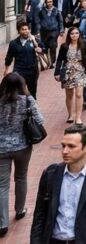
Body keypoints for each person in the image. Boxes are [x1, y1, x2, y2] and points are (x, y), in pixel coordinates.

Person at [30, 124, 86, 242]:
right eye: (63, 146)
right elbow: (39, 216)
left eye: (71, 146)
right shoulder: (51, 173)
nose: (65, 151)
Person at [0, 73, 44, 237]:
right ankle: (20, 209)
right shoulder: (27, 100)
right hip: (22, 146)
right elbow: (40, 120)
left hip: (1, 148)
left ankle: (2, 223)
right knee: (21, 177)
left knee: (2, 185)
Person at [54, 27, 86, 125]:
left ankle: (78, 117)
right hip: (68, 71)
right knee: (69, 95)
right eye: (72, 33)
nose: (74, 35)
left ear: (79, 34)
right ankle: (70, 114)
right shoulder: (64, 46)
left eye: (76, 33)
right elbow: (59, 60)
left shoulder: (83, 45)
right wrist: (56, 73)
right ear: (69, 35)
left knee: (79, 94)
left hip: (80, 70)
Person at [4, 22, 43, 98]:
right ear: (19, 31)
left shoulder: (34, 40)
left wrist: (40, 49)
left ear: (29, 30)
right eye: (23, 29)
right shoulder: (13, 43)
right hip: (19, 70)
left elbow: (43, 48)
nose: (25, 31)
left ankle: (32, 108)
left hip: (32, 71)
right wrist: (6, 69)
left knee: (32, 92)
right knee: (18, 92)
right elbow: (9, 57)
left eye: (26, 29)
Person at [37, 0, 64, 68]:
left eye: (51, 2)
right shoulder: (42, 11)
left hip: (54, 31)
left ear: (52, 2)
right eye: (48, 2)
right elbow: (38, 20)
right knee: (44, 46)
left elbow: (60, 21)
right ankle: (46, 61)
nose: (49, 3)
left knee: (53, 46)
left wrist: (61, 30)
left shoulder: (56, 11)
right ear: (45, 3)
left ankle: (52, 62)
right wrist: (39, 28)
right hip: (44, 31)